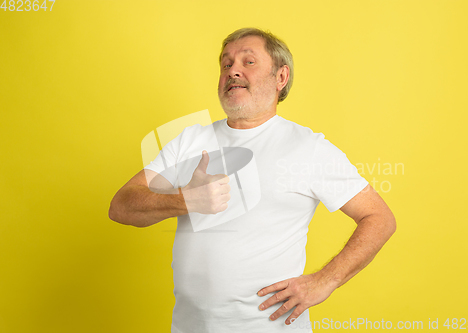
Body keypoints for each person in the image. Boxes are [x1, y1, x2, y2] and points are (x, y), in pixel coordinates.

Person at [109, 27, 396, 333]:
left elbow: (379, 217)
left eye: (248, 62)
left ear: (280, 78)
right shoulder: (190, 140)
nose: (232, 71)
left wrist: (325, 281)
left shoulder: (308, 147)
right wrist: (186, 200)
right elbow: (122, 206)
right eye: (226, 63)